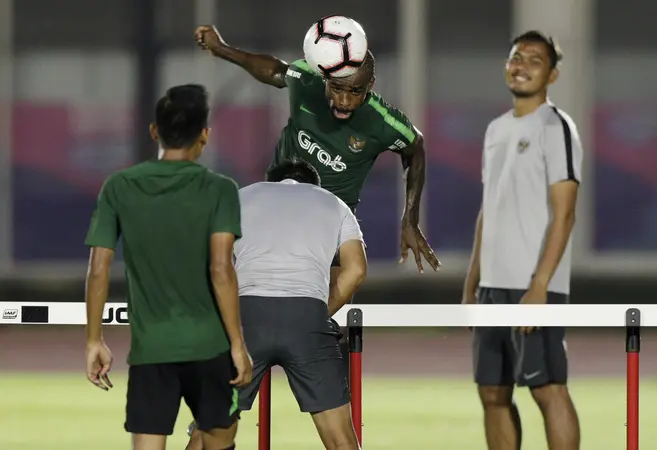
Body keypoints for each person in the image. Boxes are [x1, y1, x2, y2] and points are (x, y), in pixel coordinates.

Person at [83, 83, 253, 450]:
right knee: (219, 440)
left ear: (154, 131)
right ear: (205, 135)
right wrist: (238, 345)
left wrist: (94, 339)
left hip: (152, 350)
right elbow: (221, 269)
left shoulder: (119, 186)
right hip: (210, 347)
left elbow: (98, 269)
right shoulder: (220, 190)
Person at [193, 23, 440, 275]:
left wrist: (410, 219)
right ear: (325, 79)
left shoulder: (384, 123)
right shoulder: (307, 81)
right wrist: (221, 49)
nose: (344, 101)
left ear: (371, 85)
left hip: (328, 228)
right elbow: (275, 71)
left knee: (329, 295)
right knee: (258, 288)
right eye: (337, 88)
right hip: (276, 211)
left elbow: (416, 149)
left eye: (356, 91)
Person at [185, 158, 366, 450]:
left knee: (209, 433)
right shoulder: (334, 203)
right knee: (341, 439)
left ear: (270, 180)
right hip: (307, 318)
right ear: (313, 186)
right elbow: (356, 270)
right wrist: (321, 309)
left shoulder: (239, 197)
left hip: (246, 318)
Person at [462, 31, 583, 450]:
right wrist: (471, 284)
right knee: (492, 392)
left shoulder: (557, 127)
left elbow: (565, 212)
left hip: (534, 284)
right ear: (505, 66)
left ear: (553, 74)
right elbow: (487, 210)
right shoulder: (495, 129)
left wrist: (539, 286)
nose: (523, 65)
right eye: (517, 57)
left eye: (535, 59)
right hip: (492, 286)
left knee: (547, 388)